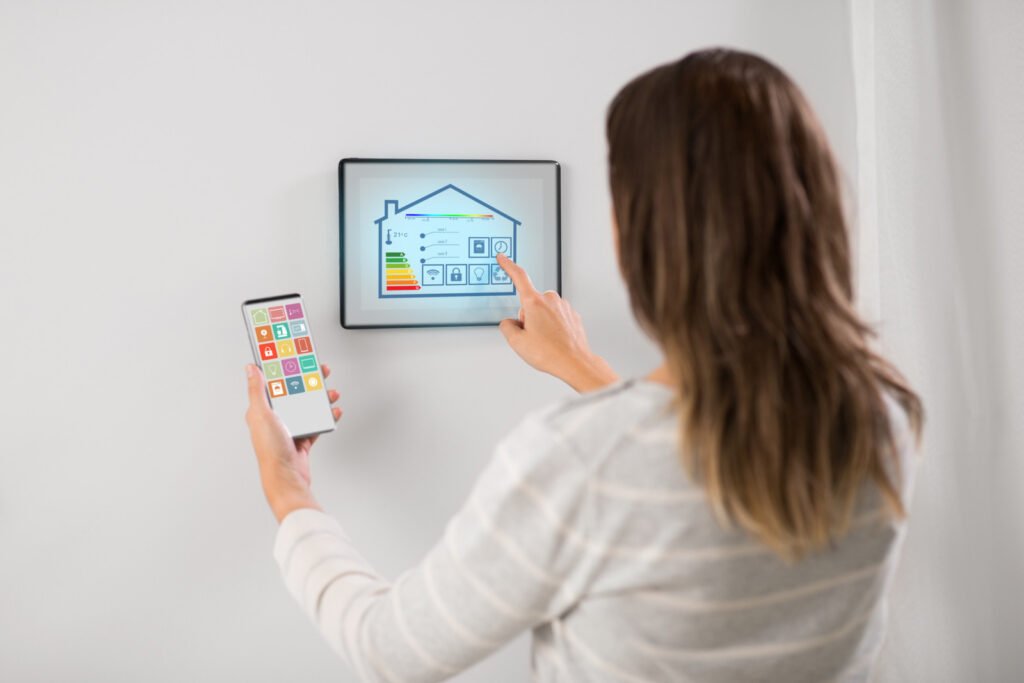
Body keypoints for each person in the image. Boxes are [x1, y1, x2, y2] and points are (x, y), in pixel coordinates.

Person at [244, 48, 923, 683]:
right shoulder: (879, 420)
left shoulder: (580, 461)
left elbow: (386, 646)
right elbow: (691, 474)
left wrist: (286, 485)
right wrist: (586, 367)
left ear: (643, 234)